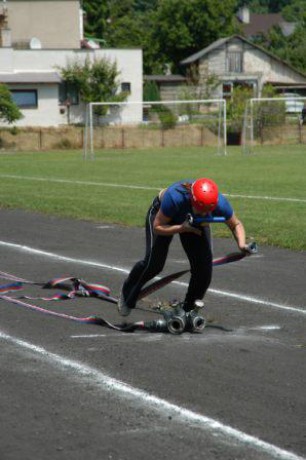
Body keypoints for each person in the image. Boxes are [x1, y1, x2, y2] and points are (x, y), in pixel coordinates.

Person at [118, 178, 252, 316]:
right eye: (201, 211)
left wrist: (241, 243)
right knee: (154, 264)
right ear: (192, 202)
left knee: (203, 269)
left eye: (208, 212)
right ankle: (127, 290)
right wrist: (182, 228)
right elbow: (157, 227)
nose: (205, 215)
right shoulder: (174, 198)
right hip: (163, 218)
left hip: (192, 223)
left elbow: (236, 224)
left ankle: (188, 310)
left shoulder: (220, 203)